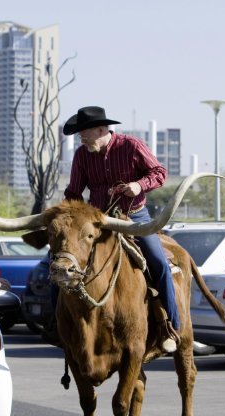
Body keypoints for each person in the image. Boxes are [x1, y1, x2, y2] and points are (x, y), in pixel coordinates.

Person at [62, 105, 180, 352]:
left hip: (133, 218)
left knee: (158, 263)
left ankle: (170, 327)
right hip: (98, 222)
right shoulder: (82, 155)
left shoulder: (131, 146)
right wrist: (70, 217)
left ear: (102, 129)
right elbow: (74, 192)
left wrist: (139, 185)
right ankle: (61, 327)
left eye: (85, 132)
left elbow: (159, 172)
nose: (81, 138)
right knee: (63, 265)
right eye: (80, 133)